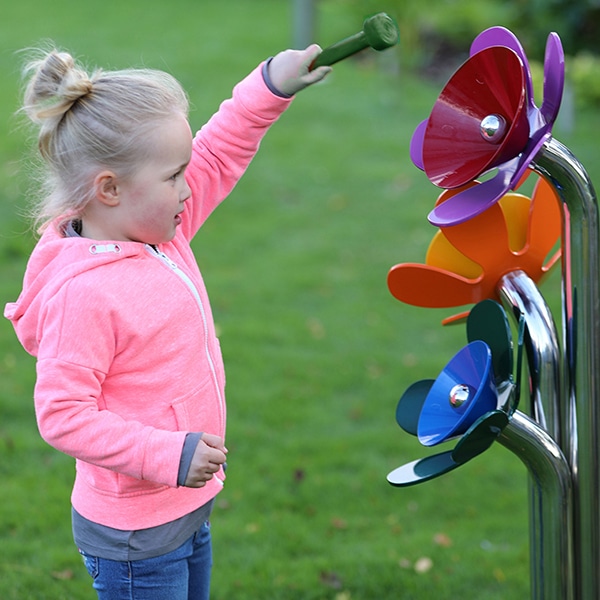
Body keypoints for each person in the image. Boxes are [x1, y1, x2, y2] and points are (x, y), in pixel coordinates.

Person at [4, 42, 331, 599]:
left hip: (183, 503)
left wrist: (271, 84)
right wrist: (167, 455)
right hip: (135, 534)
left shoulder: (156, 229)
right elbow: (61, 415)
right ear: (109, 188)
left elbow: (220, 150)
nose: (190, 186)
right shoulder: (84, 295)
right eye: (175, 175)